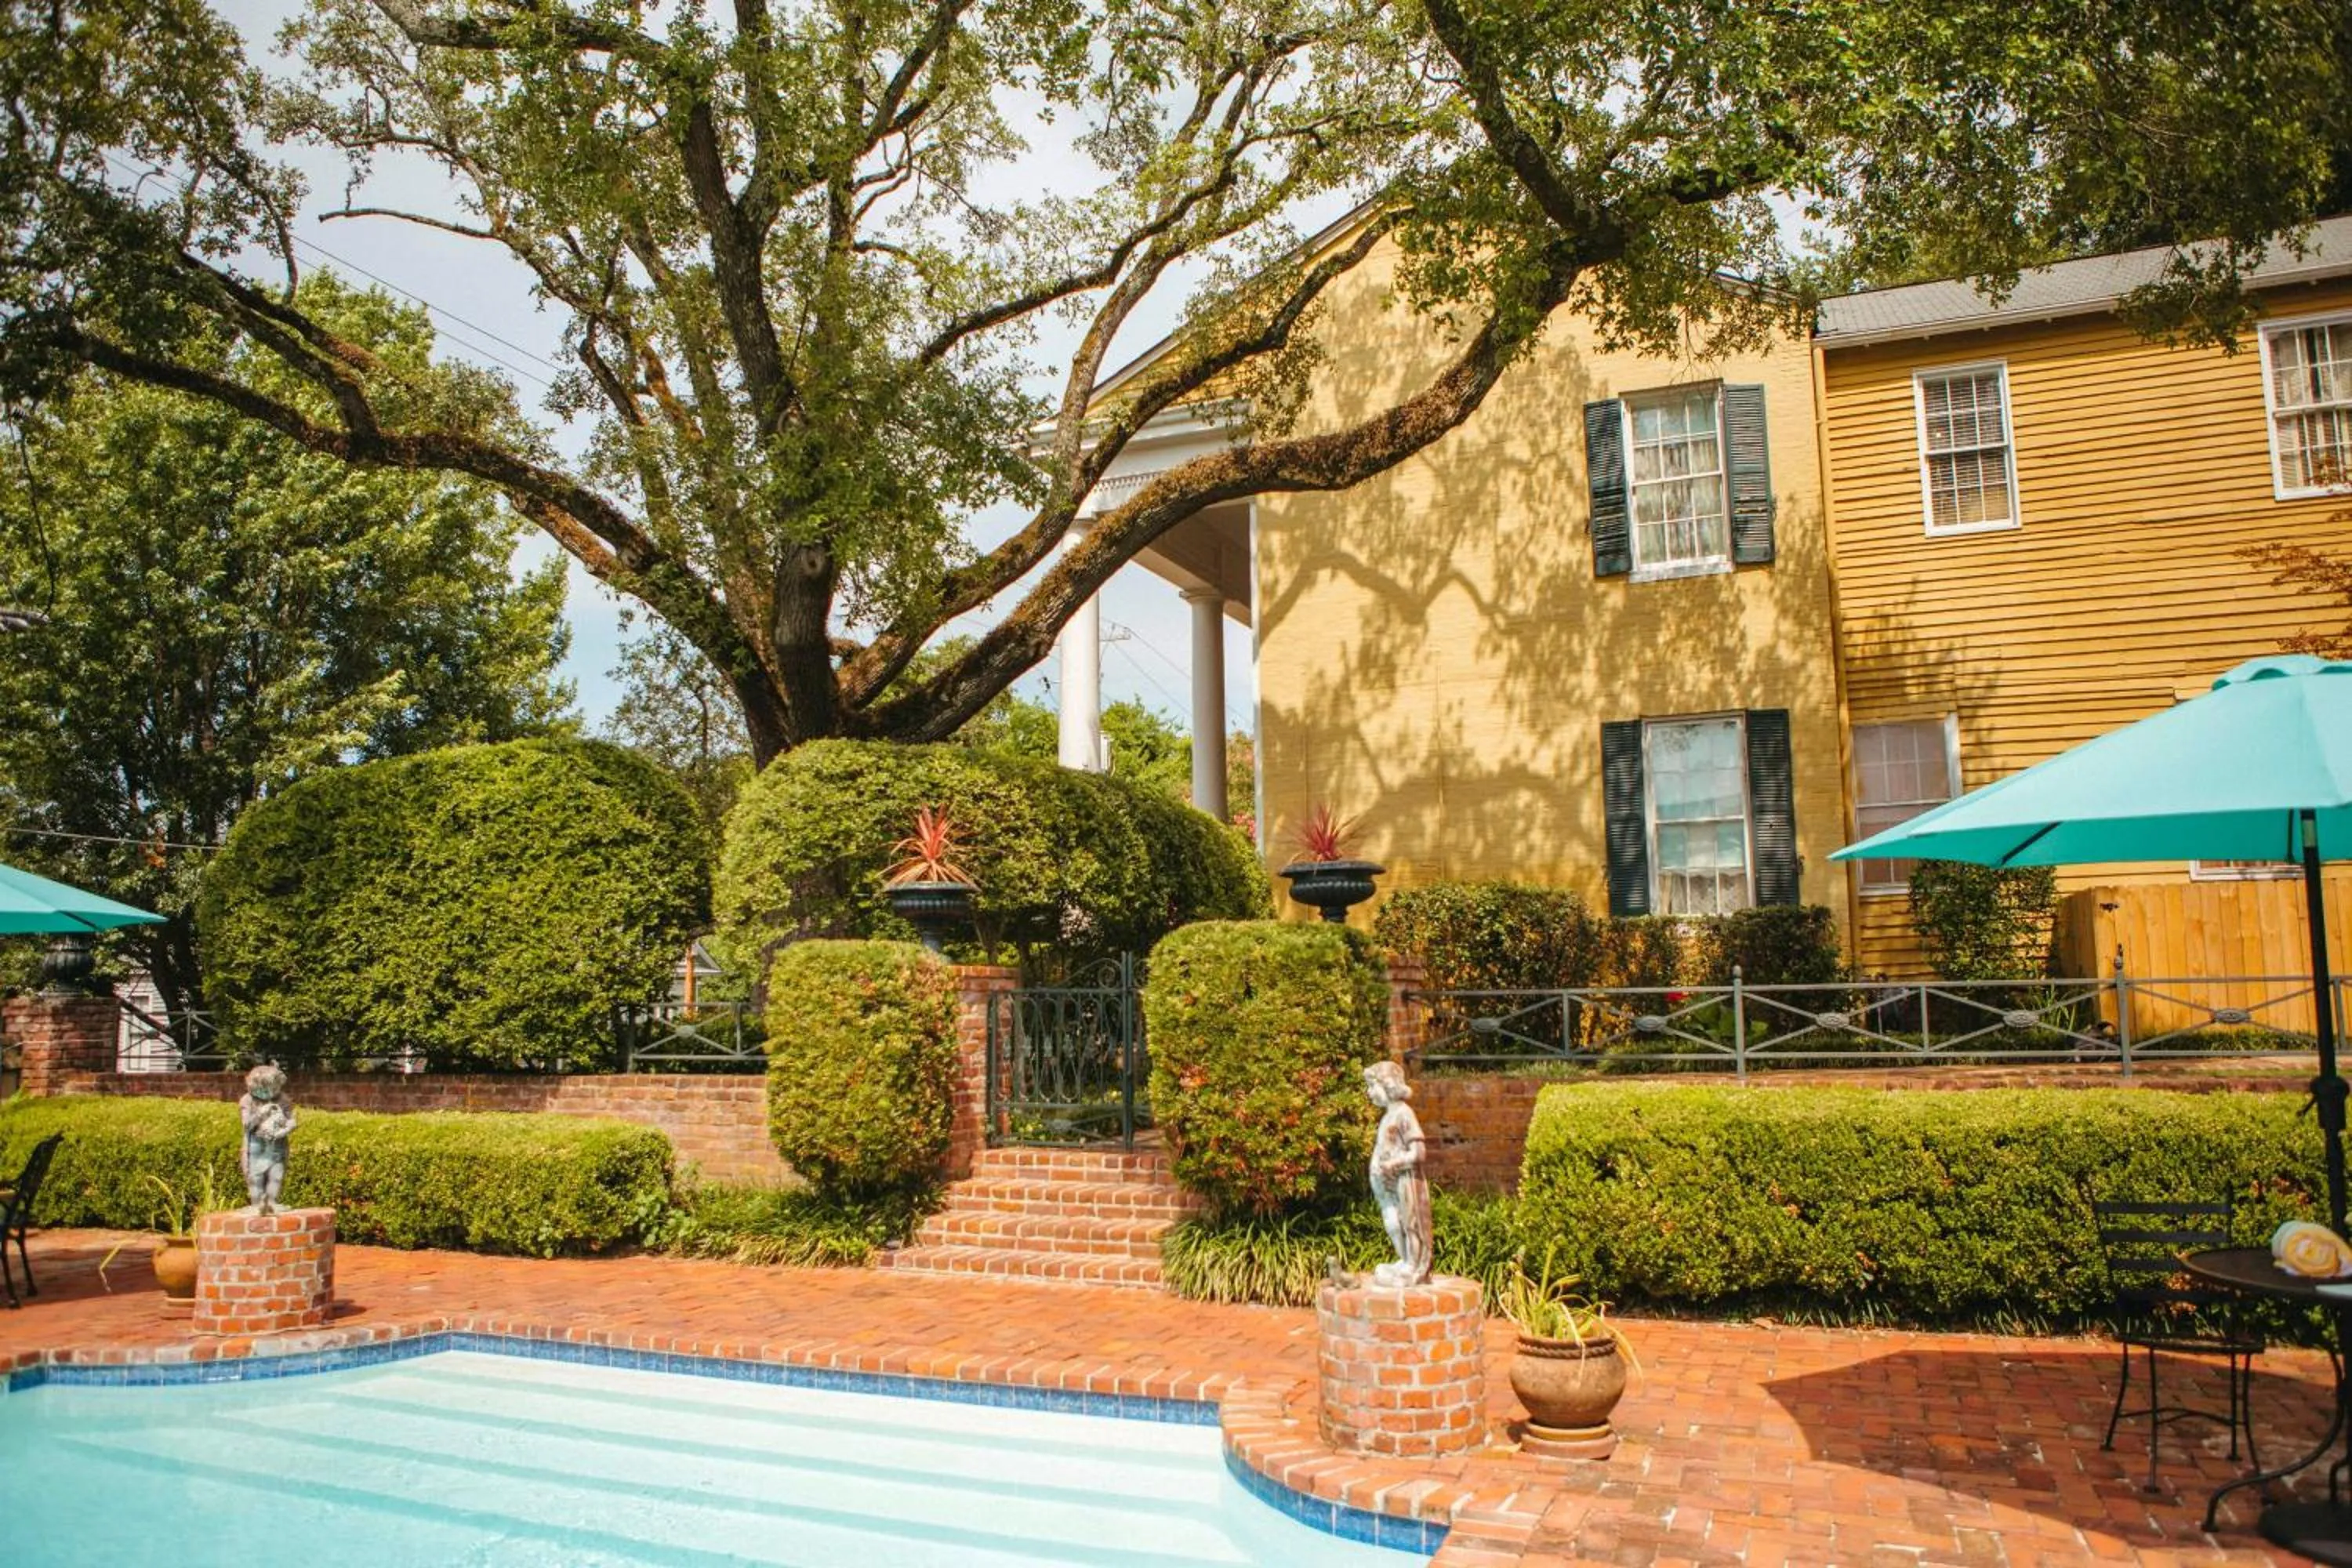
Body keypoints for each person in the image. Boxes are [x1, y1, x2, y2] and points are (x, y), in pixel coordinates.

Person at [1364, 1062, 1431, 1287]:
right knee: (1394, 1222)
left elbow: (1419, 1152)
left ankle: (1413, 1265)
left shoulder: (1404, 1114)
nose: (1369, 1092)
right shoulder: (1387, 1116)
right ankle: (1404, 1260)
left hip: (1406, 1181)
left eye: (1373, 1086)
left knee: (1410, 1222)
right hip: (1388, 1186)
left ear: (1388, 1086)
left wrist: (1395, 1162)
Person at [238, 1064, 296, 1215]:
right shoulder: (247, 1100)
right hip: (255, 1143)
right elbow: (247, 1125)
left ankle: (272, 1203)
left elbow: (291, 1121)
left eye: (273, 1088)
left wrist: (284, 1130)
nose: (270, 1093)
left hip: (277, 1143)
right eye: (264, 1089)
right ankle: (256, 1204)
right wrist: (261, 1113)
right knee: (254, 1174)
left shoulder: (282, 1099)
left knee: (276, 1173)